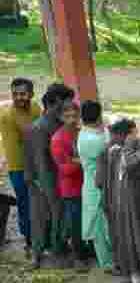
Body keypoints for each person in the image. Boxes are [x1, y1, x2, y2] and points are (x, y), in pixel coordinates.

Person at [105, 119, 140, 283]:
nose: (112, 139)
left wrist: (131, 145)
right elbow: (108, 180)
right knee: (127, 242)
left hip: (139, 206)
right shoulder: (113, 152)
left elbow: (131, 164)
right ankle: (136, 280)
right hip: (121, 205)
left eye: (116, 135)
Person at [26, 83, 75, 268]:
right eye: (66, 103)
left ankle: (58, 248)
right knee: (42, 217)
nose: (69, 107)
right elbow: (40, 161)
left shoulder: (58, 123)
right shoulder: (39, 128)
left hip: (58, 178)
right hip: (43, 180)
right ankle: (39, 254)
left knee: (59, 216)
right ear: (55, 102)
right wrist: (44, 185)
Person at [0, 78, 40, 255]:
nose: (19, 98)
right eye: (15, 94)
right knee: (25, 204)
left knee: (39, 203)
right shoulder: (7, 117)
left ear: (31, 94)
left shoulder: (36, 108)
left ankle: (41, 236)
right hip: (19, 167)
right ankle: (29, 240)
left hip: (37, 162)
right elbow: (24, 142)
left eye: (23, 94)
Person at [50, 99, 90, 271]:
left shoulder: (81, 133)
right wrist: (82, 161)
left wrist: (76, 160)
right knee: (74, 224)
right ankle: (78, 258)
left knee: (86, 220)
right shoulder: (58, 139)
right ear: (60, 117)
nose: (72, 119)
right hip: (70, 188)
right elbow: (64, 169)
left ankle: (87, 251)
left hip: (86, 184)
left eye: (75, 115)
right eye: (68, 116)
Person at [77, 101, 114, 273]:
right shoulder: (94, 140)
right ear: (99, 116)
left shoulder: (87, 133)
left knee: (103, 227)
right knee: (100, 229)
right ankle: (107, 263)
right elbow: (110, 146)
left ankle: (109, 262)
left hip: (96, 186)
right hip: (96, 188)